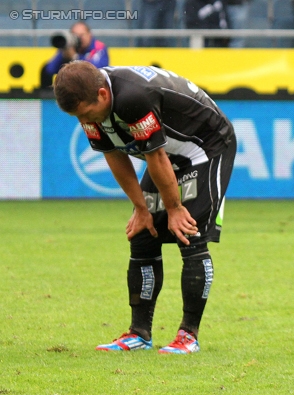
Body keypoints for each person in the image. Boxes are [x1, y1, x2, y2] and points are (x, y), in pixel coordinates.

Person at [53, 61, 237, 354]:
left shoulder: (132, 97)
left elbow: (156, 155)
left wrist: (175, 207)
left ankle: (188, 335)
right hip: (165, 155)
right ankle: (139, 333)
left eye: (86, 114)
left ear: (102, 95)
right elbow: (113, 154)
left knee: (189, 233)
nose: (85, 120)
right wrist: (141, 208)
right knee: (142, 234)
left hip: (205, 148)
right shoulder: (89, 103)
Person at [41, 21, 108, 88]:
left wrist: (74, 57)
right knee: (44, 68)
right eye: (75, 35)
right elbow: (50, 69)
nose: (79, 38)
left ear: (89, 34)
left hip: (91, 88)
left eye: (81, 35)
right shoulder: (69, 46)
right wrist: (64, 55)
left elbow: (96, 71)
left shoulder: (98, 47)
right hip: (72, 88)